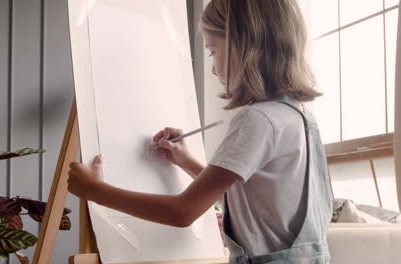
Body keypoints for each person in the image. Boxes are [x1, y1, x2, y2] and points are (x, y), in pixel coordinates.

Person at [67, 0, 333, 263]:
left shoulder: (257, 120)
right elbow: (242, 195)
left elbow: (183, 212)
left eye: (212, 51)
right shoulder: (298, 117)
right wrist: (186, 161)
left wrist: (95, 190)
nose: (214, 68)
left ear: (245, 45)